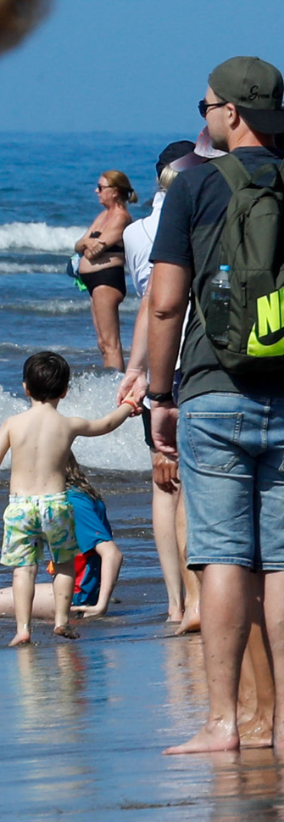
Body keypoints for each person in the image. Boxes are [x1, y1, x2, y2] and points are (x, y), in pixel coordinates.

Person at [146, 57, 284, 755]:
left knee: (224, 557)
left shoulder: (195, 187)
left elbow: (167, 300)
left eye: (205, 103)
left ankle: (225, 723)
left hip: (214, 390)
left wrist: (158, 396)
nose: (202, 114)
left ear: (231, 112)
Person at [115, 139, 202, 628]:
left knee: (162, 483)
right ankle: (197, 597)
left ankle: (175, 602)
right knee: (195, 481)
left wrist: (136, 369)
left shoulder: (136, 233)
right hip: (201, 357)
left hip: (157, 365)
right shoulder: (205, 214)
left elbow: (148, 304)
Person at [2, 352, 134, 644]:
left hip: (20, 506)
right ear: (64, 391)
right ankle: (61, 621)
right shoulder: (67, 424)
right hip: (55, 504)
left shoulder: (13, 423)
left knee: (24, 569)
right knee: (63, 564)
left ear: (25, 388)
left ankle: (23, 629)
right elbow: (106, 425)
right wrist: (129, 405)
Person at [0, 458, 122, 624]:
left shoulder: (73, 503)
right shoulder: (77, 494)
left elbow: (112, 553)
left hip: (76, 597)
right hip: (80, 592)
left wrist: (101, 605)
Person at [74, 170, 135, 370]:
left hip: (107, 280)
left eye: (101, 188)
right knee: (102, 343)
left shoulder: (121, 217)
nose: (96, 191)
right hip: (94, 281)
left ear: (115, 192)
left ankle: (117, 388)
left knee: (111, 344)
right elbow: (78, 245)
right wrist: (86, 242)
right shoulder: (103, 216)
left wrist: (87, 243)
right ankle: (111, 384)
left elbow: (92, 253)